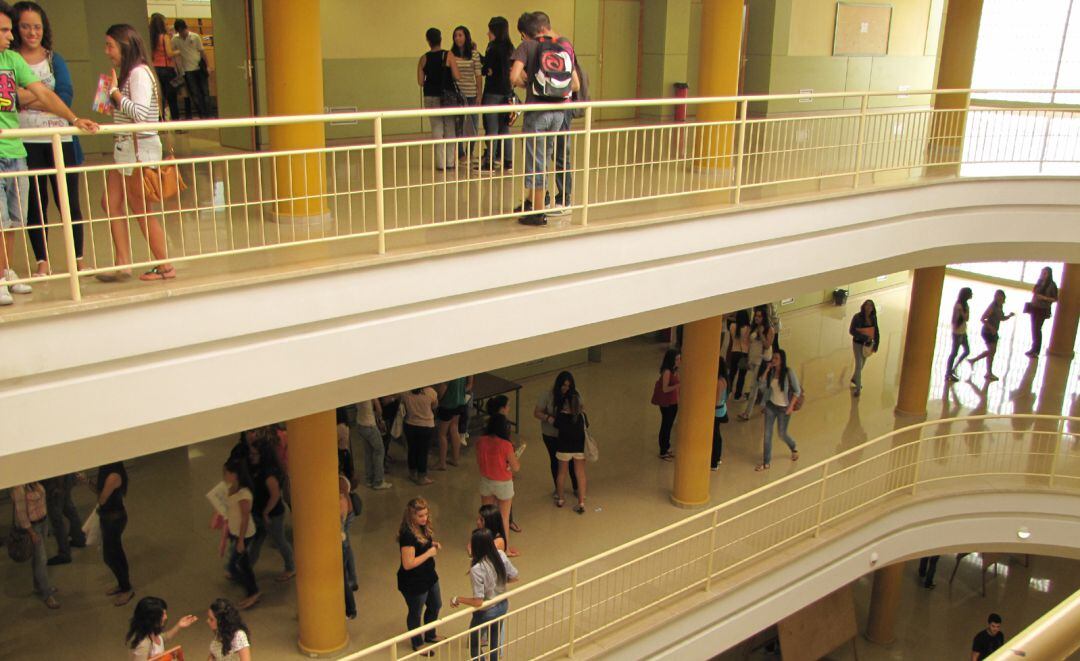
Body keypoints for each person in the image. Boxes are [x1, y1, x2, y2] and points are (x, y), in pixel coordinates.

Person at [0, 0, 96, 305]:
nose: (12, 35)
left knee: (14, 217)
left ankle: (6, 272)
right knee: (8, 217)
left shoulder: (13, 60)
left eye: (8, 29)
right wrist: (22, 98)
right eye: (6, 30)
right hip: (18, 143)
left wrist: (73, 119)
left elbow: (47, 93)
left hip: (17, 150)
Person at [13, 1, 86, 278]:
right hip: (27, 141)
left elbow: (65, 96)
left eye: (37, 27)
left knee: (68, 202)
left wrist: (31, 97)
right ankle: (42, 260)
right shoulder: (11, 59)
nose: (32, 32)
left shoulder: (55, 59)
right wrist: (44, 94)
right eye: (26, 26)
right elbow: (12, 99)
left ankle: (78, 258)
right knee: (35, 204)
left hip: (61, 140)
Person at [98, 24, 174, 283]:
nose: (107, 51)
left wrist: (116, 94)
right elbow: (122, 111)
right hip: (125, 148)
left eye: (110, 45)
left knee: (142, 208)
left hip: (137, 148)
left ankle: (164, 265)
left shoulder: (139, 73)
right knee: (111, 202)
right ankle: (123, 262)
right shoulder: (128, 73)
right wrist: (108, 96)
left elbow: (141, 115)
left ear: (124, 46)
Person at [510, 11, 580, 226]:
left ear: (526, 33)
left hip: (537, 112)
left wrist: (528, 83)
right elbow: (575, 85)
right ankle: (537, 202)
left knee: (535, 161)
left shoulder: (527, 47)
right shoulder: (564, 46)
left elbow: (513, 77)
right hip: (559, 113)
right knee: (546, 157)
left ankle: (537, 212)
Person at [450, 528, 520, 661]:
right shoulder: (500, 554)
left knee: (474, 643)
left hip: (487, 611)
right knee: (494, 638)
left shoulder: (477, 569)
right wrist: (499, 582)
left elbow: (478, 601)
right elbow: (515, 576)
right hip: (503, 604)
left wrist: (458, 599)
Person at [397, 497, 442, 655]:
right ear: (411, 516)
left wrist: (431, 544)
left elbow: (421, 545)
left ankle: (430, 634)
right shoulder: (407, 535)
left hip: (429, 575)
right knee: (416, 612)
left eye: (426, 515)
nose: (425, 518)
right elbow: (408, 564)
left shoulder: (422, 527)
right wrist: (429, 553)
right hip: (413, 582)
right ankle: (417, 643)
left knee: (435, 605)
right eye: (420, 516)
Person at [246, 439, 295, 582]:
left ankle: (291, 567)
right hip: (260, 513)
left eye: (255, 454)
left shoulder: (269, 475)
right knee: (256, 541)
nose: (252, 456)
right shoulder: (258, 469)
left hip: (273, 515)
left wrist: (266, 512)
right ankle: (247, 567)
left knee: (280, 541)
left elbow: (274, 496)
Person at [476, 396, 520, 550]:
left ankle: (482, 546)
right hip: (503, 483)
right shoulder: (506, 445)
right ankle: (505, 549)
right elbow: (515, 467)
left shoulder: (481, 441)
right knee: (503, 517)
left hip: (486, 481)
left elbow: (479, 461)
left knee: (486, 517)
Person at [418, 27, 461, 171]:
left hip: (430, 96)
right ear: (441, 39)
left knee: (437, 128)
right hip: (447, 96)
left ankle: (440, 164)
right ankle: (450, 162)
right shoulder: (448, 55)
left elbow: (420, 81)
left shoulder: (424, 58)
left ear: (428, 41)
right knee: (450, 127)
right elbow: (456, 76)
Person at [10, 481, 58, 608]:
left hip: (43, 523)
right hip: (33, 527)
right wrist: (31, 533)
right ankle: (47, 594)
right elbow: (21, 515)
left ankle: (39, 587)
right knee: (42, 560)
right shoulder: (19, 488)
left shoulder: (34, 482)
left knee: (38, 559)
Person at [477, 16, 514, 172]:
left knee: (491, 128)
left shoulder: (493, 47)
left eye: (490, 30)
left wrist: (486, 68)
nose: (488, 33)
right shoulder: (510, 47)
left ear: (495, 31)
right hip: (507, 91)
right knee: (505, 127)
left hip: (492, 92)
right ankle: (507, 161)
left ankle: (490, 162)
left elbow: (486, 69)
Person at [535, 371, 581, 496]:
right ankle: (558, 489)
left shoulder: (575, 395)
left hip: (567, 435)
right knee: (555, 461)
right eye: (563, 385)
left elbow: (580, 409)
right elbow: (537, 412)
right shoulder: (547, 395)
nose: (566, 388)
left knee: (571, 462)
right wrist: (549, 418)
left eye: (568, 386)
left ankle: (576, 487)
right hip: (550, 435)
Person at [222, 457, 260, 610]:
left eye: (227, 473)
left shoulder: (244, 494)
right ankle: (239, 577)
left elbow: (245, 518)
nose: (225, 476)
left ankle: (253, 592)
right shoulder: (231, 488)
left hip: (243, 534)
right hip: (234, 531)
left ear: (235, 474)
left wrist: (241, 540)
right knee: (236, 562)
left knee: (242, 564)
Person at [95, 461, 134, 606]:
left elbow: (102, 499)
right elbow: (102, 496)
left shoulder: (113, 475)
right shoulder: (106, 471)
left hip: (114, 519)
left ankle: (126, 588)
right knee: (111, 554)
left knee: (114, 555)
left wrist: (100, 496)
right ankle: (122, 584)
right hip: (109, 518)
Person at [756, 349, 801, 471]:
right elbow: (761, 386)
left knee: (782, 434)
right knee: (767, 434)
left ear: (782, 360)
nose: (774, 360)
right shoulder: (771, 372)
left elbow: (797, 391)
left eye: (776, 358)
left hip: (784, 408)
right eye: (773, 358)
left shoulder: (788, 372)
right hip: (771, 406)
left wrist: (791, 406)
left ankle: (793, 447)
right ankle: (766, 462)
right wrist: (766, 370)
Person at [554, 375, 588, 514]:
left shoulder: (561, 416)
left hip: (563, 447)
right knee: (580, 474)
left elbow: (556, 425)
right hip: (579, 448)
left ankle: (561, 498)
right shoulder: (581, 416)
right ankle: (581, 501)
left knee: (562, 473)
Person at [126, 596, 197, 661]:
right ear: (152, 619)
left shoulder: (150, 630)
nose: (166, 617)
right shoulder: (142, 645)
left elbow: (162, 639)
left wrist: (179, 625)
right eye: (163, 615)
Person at [968, 289, 1014, 381]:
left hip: (993, 332)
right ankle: (983, 368)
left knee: (992, 352)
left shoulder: (1000, 306)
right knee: (991, 351)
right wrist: (991, 328)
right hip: (988, 332)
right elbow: (982, 318)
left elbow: (1001, 318)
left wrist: (1009, 316)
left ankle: (982, 367)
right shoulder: (992, 306)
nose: (1000, 298)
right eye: (998, 296)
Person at [452, 26, 483, 161]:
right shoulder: (451, 54)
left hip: (471, 94)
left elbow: (478, 75)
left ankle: (470, 151)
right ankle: (460, 153)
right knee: (458, 125)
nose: (458, 38)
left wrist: (479, 94)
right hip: (457, 95)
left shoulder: (474, 54)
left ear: (466, 37)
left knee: (473, 124)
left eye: (460, 35)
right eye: (455, 36)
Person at [42, 472, 85, 565]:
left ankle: (64, 553)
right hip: (65, 480)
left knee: (57, 520)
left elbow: (55, 466)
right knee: (70, 510)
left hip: (55, 485)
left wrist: (58, 486)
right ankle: (79, 538)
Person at [171, 19, 210, 119]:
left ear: (186, 28)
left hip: (199, 68)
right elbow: (173, 54)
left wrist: (208, 66)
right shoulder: (175, 39)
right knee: (195, 94)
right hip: (187, 71)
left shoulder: (195, 37)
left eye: (183, 31)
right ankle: (202, 115)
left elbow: (202, 52)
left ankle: (208, 115)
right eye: (179, 32)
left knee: (205, 93)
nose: (182, 34)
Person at [401, 385, 439, 485]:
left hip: (410, 424)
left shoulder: (405, 392)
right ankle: (422, 477)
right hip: (426, 425)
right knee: (423, 452)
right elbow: (434, 406)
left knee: (412, 450)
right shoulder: (431, 392)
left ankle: (412, 473)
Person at [148, 13, 180, 121]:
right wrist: (178, 51)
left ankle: (160, 123)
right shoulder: (164, 37)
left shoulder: (151, 38)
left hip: (156, 69)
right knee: (172, 98)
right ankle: (176, 124)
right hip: (167, 69)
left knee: (159, 98)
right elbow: (169, 53)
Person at [435, 375, 472, 470]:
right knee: (454, 428)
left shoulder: (446, 372)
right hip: (460, 403)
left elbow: (442, 391)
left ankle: (442, 463)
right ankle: (455, 459)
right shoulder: (460, 369)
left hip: (447, 405)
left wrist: (437, 401)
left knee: (442, 434)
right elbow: (468, 385)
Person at [355, 398, 392, 489]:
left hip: (361, 424)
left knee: (369, 452)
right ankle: (378, 482)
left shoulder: (357, 393)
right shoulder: (371, 395)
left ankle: (369, 479)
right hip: (370, 425)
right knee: (379, 451)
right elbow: (379, 411)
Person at [652, 348, 680, 461]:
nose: (679, 361)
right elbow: (665, 388)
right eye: (677, 359)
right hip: (666, 402)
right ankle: (663, 450)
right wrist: (678, 385)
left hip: (672, 401)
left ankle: (666, 447)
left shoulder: (674, 370)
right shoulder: (667, 371)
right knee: (666, 425)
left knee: (669, 425)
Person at [1026, 266, 1058, 357]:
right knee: (1033, 328)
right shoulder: (1039, 282)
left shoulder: (1052, 285)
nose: (1043, 275)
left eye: (1045, 273)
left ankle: (1036, 350)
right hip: (1034, 307)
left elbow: (1055, 299)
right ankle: (1033, 348)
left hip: (1043, 309)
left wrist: (1044, 298)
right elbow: (1035, 291)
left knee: (1037, 328)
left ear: (1049, 274)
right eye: (1042, 273)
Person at [849, 299, 879, 397]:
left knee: (862, 365)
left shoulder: (873, 318)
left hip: (867, 345)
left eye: (870, 306)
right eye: (867, 305)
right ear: (864, 306)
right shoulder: (857, 317)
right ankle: (858, 388)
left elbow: (876, 331)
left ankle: (854, 378)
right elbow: (852, 331)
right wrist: (864, 337)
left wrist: (876, 344)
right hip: (858, 343)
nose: (868, 308)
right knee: (859, 364)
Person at [339, 472, 357, 618]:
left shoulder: (339, 495)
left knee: (342, 579)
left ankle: (350, 610)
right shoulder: (341, 495)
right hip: (341, 541)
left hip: (339, 543)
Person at [946, 287, 973, 382]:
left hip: (962, 331)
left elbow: (967, 318)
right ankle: (948, 372)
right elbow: (961, 318)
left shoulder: (965, 305)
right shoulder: (958, 306)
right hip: (957, 332)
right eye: (970, 293)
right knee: (954, 353)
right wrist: (963, 313)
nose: (972, 295)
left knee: (967, 351)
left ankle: (953, 368)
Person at [727, 310, 751, 400]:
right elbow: (749, 342)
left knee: (732, 374)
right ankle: (737, 395)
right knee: (741, 376)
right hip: (744, 354)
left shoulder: (732, 326)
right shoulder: (748, 328)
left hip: (734, 352)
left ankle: (728, 392)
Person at [712, 358, 729, 471]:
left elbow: (715, 400)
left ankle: (714, 461)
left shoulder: (718, 382)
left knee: (715, 436)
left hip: (716, 411)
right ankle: (717, 458)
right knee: (717, 435)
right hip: (722, 409)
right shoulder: (724, 380)